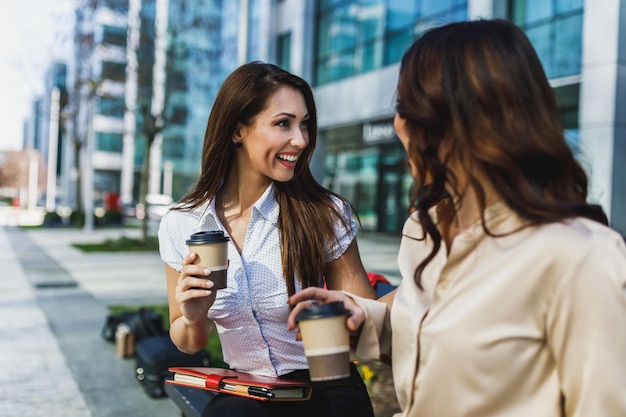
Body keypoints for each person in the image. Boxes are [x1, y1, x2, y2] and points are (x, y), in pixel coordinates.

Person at [287, 19, 626, 417]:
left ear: (457, 120)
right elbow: (442, 345)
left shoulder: (579, 255)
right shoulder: (424, 231)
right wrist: (364, 320)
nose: (398, 124)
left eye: (406, 106)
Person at [158, 61, 377, 417]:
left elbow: (369, 319)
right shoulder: (181, 224)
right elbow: (187, 340)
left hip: (326, 386)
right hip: (248, 391)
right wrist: (194, 317)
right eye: (283, 123)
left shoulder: (323, 212)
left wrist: (340, 315)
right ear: (237, 131)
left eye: (304, 124)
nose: (301, 140)